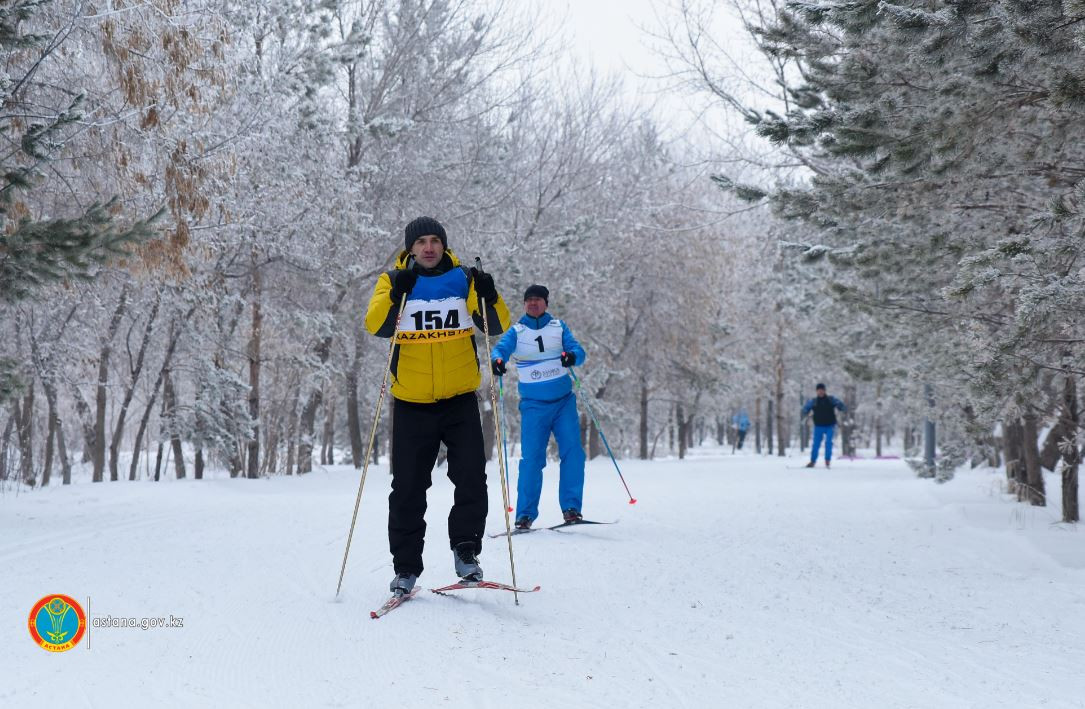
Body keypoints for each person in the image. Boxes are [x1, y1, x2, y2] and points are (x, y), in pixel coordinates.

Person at [364, 216, 511, 596]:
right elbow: (376, 326)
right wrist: (398, 290)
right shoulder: (392, 280)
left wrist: (489, 293)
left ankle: (466, 552)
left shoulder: (464, 279)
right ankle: (406, 568)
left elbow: (496, 326)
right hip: (412, 403)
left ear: (443, 245)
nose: (429, 248)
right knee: (409, 488)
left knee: (471, 479)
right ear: (410, 248)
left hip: (460, 399)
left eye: (435, 241)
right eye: (421, 242)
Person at [490, 284, 587, 530]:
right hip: (534, 406)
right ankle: (525, 515)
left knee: (573, 452)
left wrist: (573, 356)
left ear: (546, 303)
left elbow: (578, 350)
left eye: (538, 300)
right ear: (524, 304)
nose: (533, 303)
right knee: (532, 459)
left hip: (563, 402)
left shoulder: (558, 327)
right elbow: (500, 349)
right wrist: (497, 360)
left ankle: (571, 509)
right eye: (529, 300)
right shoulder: (518, 330)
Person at [801, 383, 847, 468]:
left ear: (825, 391)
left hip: (830, 425)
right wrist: (805, 411)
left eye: (822, 390)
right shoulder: (814, 401)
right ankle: (812, 461)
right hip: (818, 426)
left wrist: (841, 407)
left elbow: (841, 405)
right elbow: (805, 408)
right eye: (819, 390)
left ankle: (827, 460)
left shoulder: (831, 399)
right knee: (816, 444)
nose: (820, 392)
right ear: (816, 391)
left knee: (828, 443)